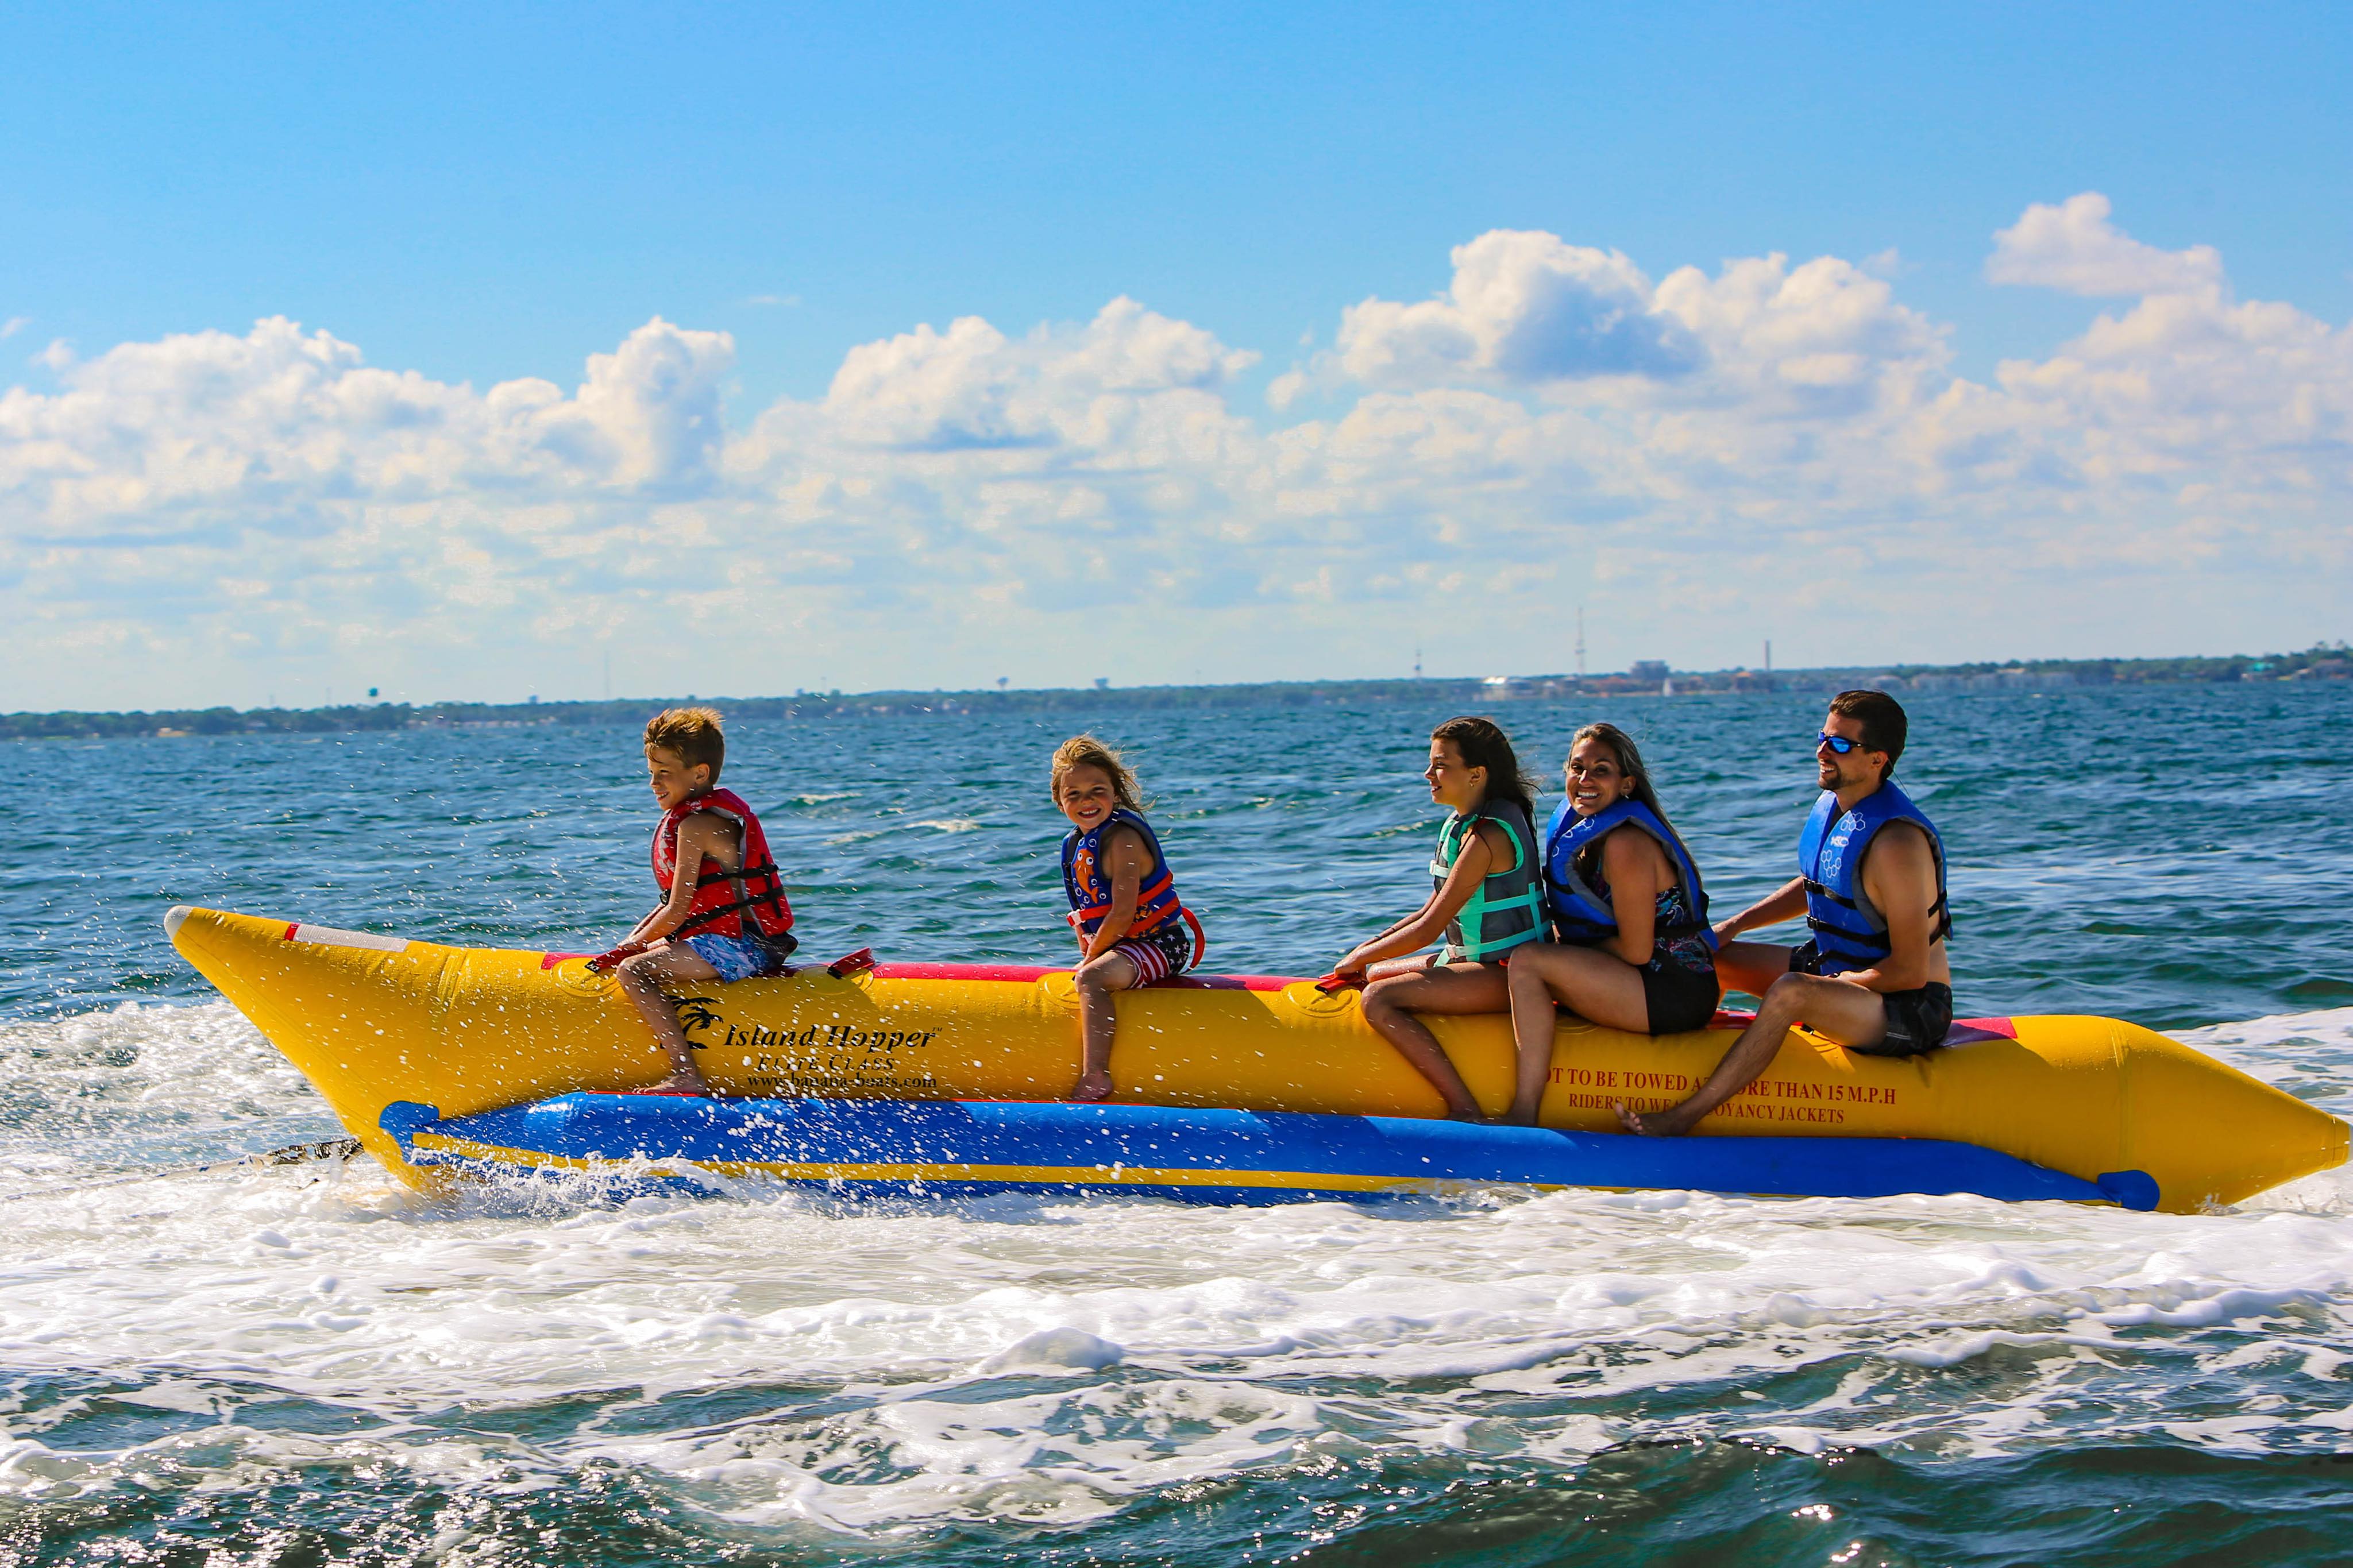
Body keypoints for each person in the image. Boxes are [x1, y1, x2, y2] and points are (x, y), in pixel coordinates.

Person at [1621, 689, 1952, 1137]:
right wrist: (1732, 927)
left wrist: (1830, 988)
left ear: (1877, 759)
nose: (1821, 751)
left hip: (1907, 1009)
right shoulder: (1840, 810)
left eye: (1839, 744)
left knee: (1791, 991)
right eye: (1822, 737)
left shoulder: (1897, 843)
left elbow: (1911, 972)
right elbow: (1823, 886)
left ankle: (1686, 1115)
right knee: (1707, 957)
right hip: (1841, 974)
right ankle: (1666, 1072)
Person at [1503, 723, 1719, 1124]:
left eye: (1601, 770)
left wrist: (1565, 960)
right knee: (1531, 959)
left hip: (1671, 991)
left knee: (1530, 961)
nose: (1585, 780)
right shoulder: (1589, 838)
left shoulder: (1625, 844)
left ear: (1626, 785)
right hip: (1639, 980)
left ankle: (1524, 1113)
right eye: (1576, 768)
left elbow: (1637, 950)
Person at [1333, 717, 1544, 1121]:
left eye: (1440, 765)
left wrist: (1357, 960)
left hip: (1507, 974)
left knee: (1379, 998)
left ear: (1476, 774)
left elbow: (1430, 929)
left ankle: (1464, 1107)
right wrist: (1364, 954)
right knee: (1375, 974)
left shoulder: (1488, 837)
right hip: (1473, 962)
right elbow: (1431, 909)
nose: (1428, 774)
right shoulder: (1464, 825)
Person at [607, 707, 799, 1095]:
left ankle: (685, 1074)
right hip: (721, 941)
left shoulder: (698, 826)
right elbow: (673, 908)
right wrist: (628, 944)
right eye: (651, 772)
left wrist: (628, 954)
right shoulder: (693, 820)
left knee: (634, 972)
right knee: (634, 957)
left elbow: (678, 910)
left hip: (745, 946)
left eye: (664, 772)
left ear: (700, 774)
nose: (654, 783)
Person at [1054, 735, 1206, 1102]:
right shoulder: (1077, 843)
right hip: (1123, 946)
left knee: (1090, 979)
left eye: (1097, 791)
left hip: (1161, 944)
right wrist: (1089, 950)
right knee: (1087, 974)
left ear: (1116, 794)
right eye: (1073, 794)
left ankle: (1096, 1078)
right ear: (1059, 803)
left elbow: (1122, 913)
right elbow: (1085, 915)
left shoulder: (1123, 839)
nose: (1086, 801)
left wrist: (1090, 965)